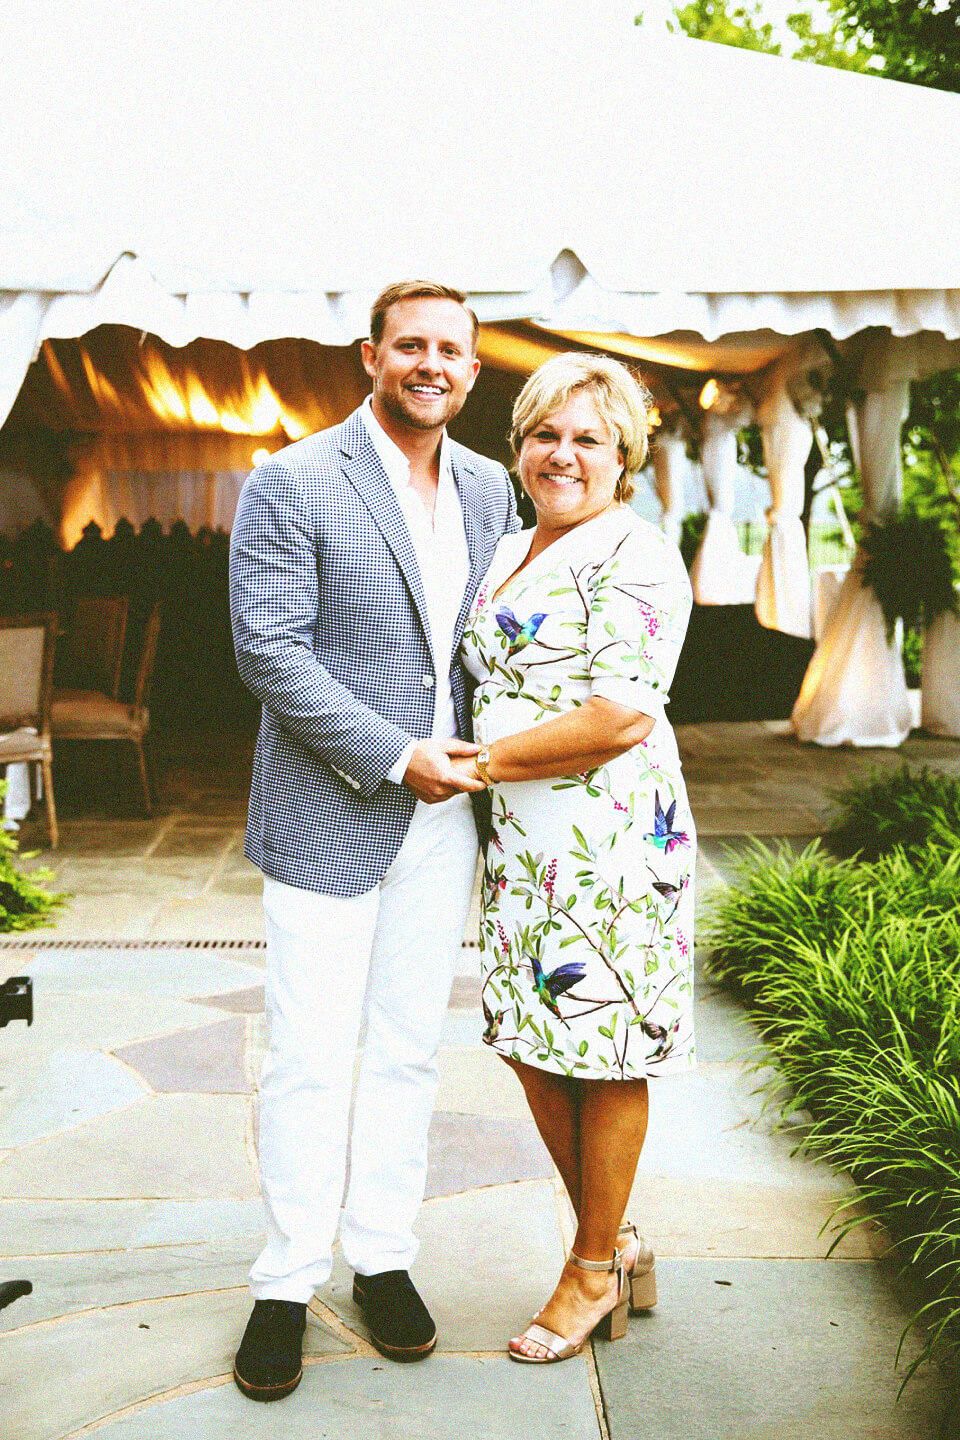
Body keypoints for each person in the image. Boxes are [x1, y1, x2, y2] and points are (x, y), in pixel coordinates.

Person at [228, 280, 518, 1399]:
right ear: (371, 356)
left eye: (452, 349)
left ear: (473, 371)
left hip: (448, 824)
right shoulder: (293, 478)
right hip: (329, 809)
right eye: (412, 345)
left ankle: (382, 1257)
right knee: (308, 1058)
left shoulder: (493, 488)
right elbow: (271, 652)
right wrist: (401, 754)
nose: (431, 363)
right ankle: (285, 1283)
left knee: (406, 1049)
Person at [454, 352, 696, 1363]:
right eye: (545, 435)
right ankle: (617, 1236)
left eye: (588, 438)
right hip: (519, 840)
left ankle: (592, 1269)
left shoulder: (637, 555)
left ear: (624, 457)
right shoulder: (508, 546)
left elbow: (619, 716)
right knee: (528, 1039)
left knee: (603, 1052)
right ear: (518, 449)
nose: (564, 455)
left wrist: (481, 763)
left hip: (607, 840)